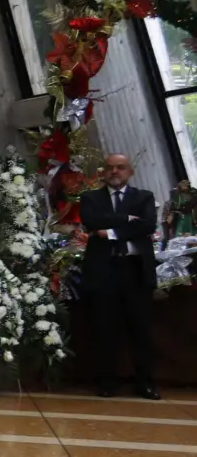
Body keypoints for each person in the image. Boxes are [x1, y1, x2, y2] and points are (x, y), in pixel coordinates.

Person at [79, 153, 160, 400]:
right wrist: (126, 219)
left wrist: (111, 232)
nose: (114, 172)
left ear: (130, 172)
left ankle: (145, 382)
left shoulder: (144, 197)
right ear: (103, 172)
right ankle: (107, 381)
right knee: (105, 328)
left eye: (120, 167)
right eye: (110, 167)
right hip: (104, 271)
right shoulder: (90, 198)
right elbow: (91, 221)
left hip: (135, 270)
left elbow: (148, 225)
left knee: (140, 329)